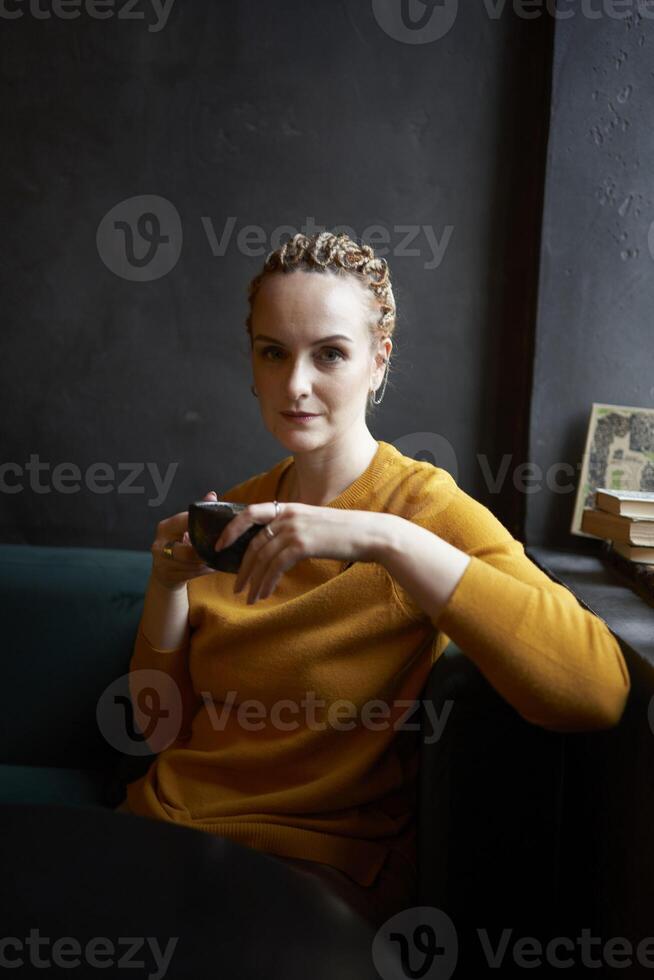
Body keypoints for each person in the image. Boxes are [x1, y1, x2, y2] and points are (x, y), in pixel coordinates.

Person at [115, 230, 631, 930]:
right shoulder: (233, 515)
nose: (296, 383)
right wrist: (168, 585)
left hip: (317, 871)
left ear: (377, 363)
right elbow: (156, 731)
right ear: (253, 365)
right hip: (166, 832)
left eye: (329, 353)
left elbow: (594, 691)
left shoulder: (421, 510)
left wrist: (382, 540)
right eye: (274, 353)